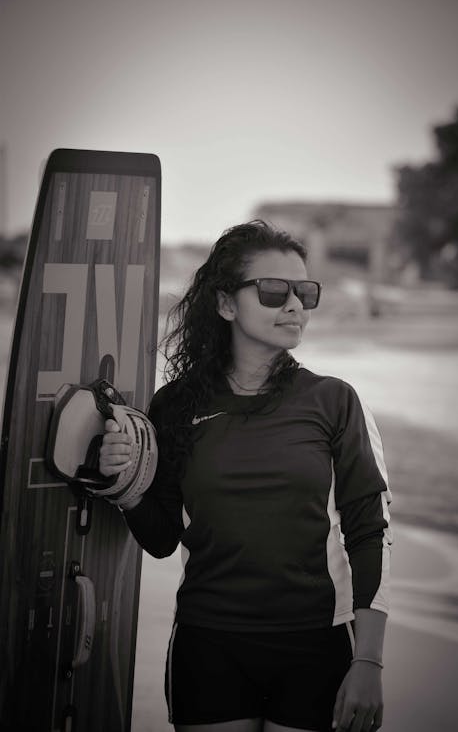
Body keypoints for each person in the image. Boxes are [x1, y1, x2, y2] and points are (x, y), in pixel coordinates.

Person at [99, 220, 392, 732]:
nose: (295, 305)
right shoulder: (175, 406)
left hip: (315, 643)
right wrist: (125, 488)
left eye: (305, 291)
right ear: (226, 304)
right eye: (275, 292)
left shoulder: (333, 400)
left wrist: (368, 660)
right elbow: (164, 538)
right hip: (208, 643)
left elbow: (370, 530)